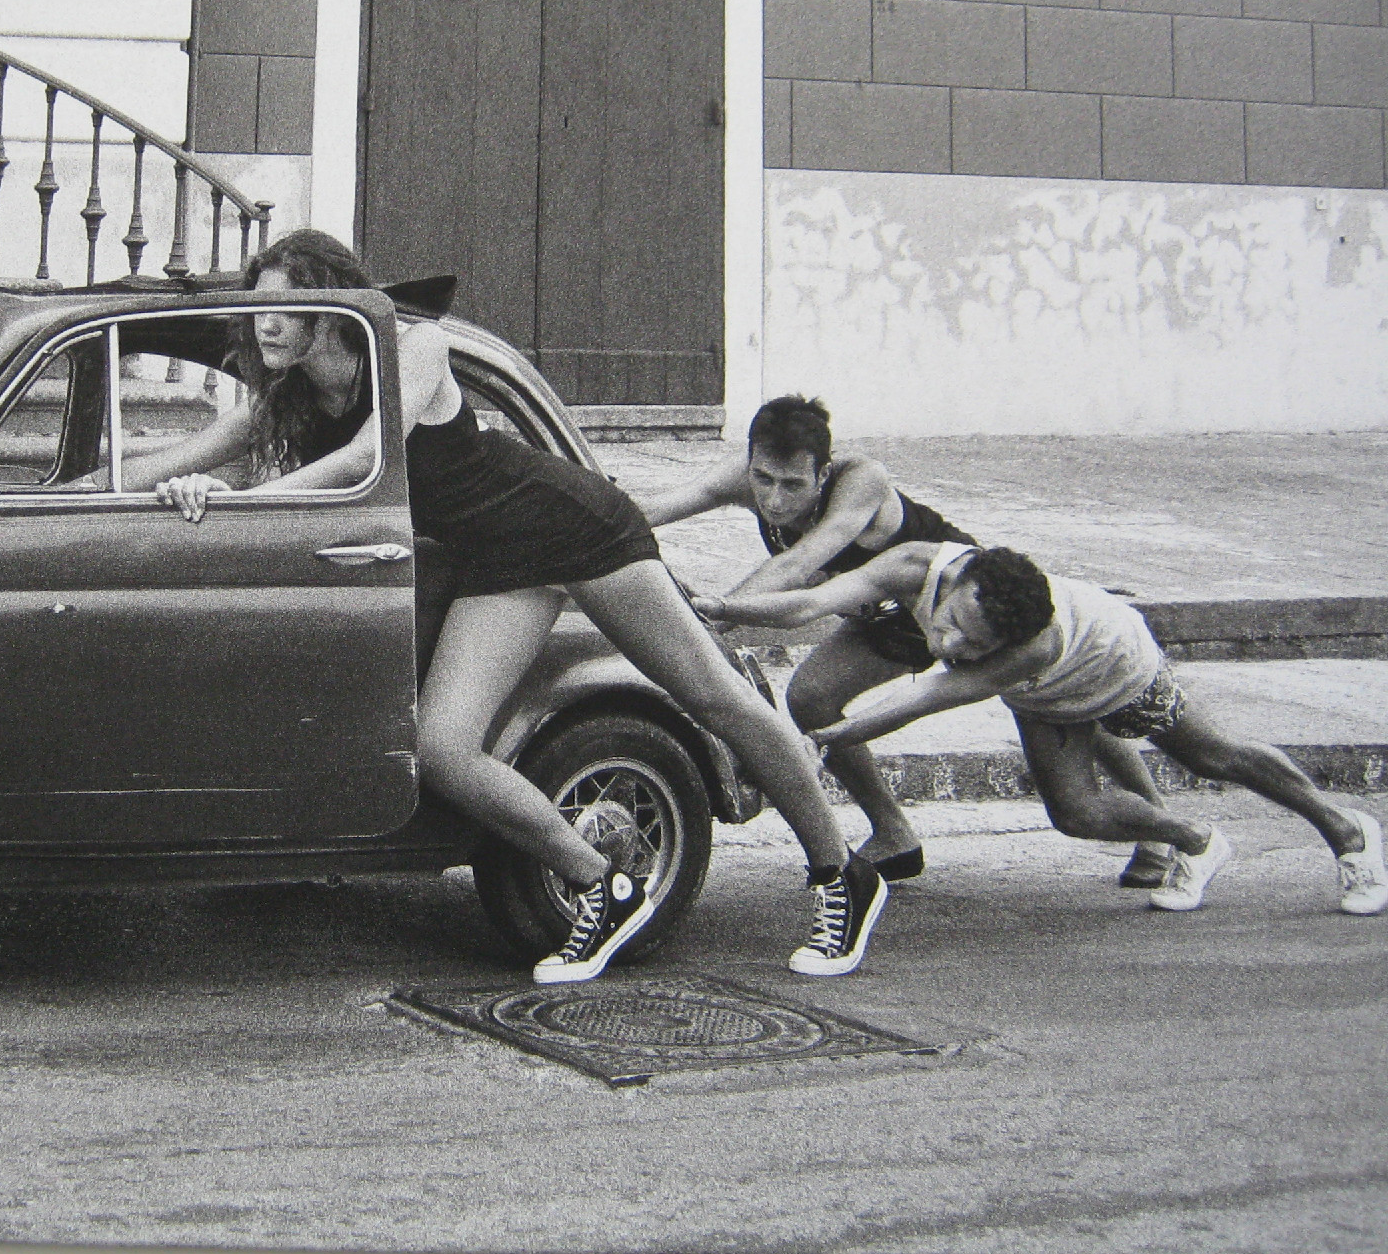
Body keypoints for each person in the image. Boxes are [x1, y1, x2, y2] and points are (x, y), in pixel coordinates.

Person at [133, 230, 889, 981]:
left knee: (715, 698)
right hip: (495, 562)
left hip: (571, 527)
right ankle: (601, 883)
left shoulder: (413, 345)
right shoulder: (289, 395)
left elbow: (372, 457)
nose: (265, 325)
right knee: (442, 751)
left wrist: (250, 503)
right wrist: (146, 489)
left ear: (332, 307)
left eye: (285, 309)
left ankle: (841, 874)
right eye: (258, 309)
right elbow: (187, 454)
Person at [636, 395, 1177, 890]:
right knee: (809, 698)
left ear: (822, 473)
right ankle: (893, 832)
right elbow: (665, 505)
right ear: (751, 461)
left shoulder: (861, 481)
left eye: (793, 485)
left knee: (1064, 700)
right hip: (882, 617)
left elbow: (801, 565)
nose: (774, 499)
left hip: (950, 605)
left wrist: (701, 627)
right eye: (763, 479)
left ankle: (1161, 827)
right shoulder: (754, 475)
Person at [694, 541, 1388, 916]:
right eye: (955, 625)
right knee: (1076, 815)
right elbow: (815, 598)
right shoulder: (914, 565)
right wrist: (727, 604)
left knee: (1215, 755)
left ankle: (1348, 832)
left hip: (1117, 667)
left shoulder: (1028, 645)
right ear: (959, 576)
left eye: (972, 645)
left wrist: (823, 741)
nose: (949, 644)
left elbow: (926, 698)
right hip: (1049, 699)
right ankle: (1196, 841)